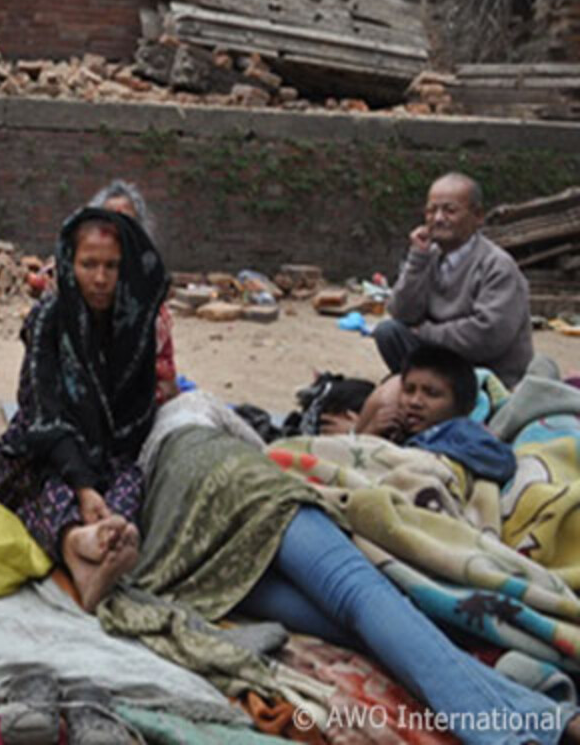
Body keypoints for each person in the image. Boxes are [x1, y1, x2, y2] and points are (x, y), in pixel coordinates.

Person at [126, 418, 580, 745]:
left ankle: (539, 721)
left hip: (210, 570)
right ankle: (525, 728)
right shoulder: (194, 409)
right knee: (366, 601)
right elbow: (270, 451)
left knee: (357, 631)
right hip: (257, 501)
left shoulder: (125, 467)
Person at [0, 206, 168, 610]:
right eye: (88, 265)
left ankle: (97, 551)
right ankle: (78, 543)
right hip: (42, 449)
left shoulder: (134, 327)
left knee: (130, 481)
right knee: (48, 486)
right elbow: (41, 415)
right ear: (69, 262)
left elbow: (137, 414)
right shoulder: (49, 317)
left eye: (112, 266)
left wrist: (97, 475)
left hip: (106, 453)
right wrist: (83, 486)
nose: (100, 279)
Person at [373, 172, 531, 387]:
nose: (438, 218)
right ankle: (426, 388)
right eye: (431, 210)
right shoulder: (429, 256)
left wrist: (426, 332)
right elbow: (402, 312)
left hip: (487, 371)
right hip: (443, 359)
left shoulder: (497, 266)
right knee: (389, 332)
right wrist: (418, 258)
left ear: (478, 216)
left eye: (450, 210)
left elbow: (488, 336)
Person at [351, 344, 515, 482]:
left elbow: (502, 462)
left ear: (463, 407)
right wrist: (370, 434)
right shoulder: (396, 431)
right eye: (409, 390)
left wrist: (423, 450)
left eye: (431, 393)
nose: (415, 402)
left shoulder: (460, 431)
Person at [90, 180, 178, 405]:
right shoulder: (75, 290)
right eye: (109, 221)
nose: (118, 231)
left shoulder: (152, 307)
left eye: (127, 222)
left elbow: (166, 382)